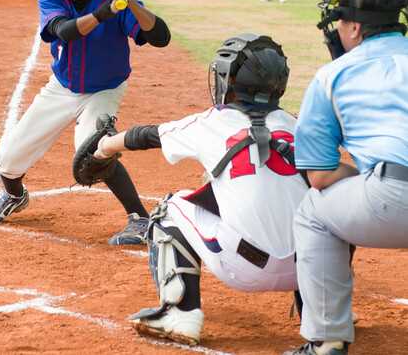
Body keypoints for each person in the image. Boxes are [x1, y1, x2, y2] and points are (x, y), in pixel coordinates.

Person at [90, 34, 307, 345]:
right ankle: (323, 312)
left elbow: (147, 136)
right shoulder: (297, 124)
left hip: (244, 267)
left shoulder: (211, 122)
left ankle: (180, 313)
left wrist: (103, 149)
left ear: (228, 81)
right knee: (323, 204)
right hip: (312, 269)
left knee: (171, 207)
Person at [0, 0, 172, 245]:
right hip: (62, 86)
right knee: (9, 159)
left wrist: (130, 2)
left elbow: (160, 37)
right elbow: (62, 30)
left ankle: (140, 219)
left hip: (104, 89)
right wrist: (103, 12)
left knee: (93, 152)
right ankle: (14, 196)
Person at [286, 0, 408, 355]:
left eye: (340, 22)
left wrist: (367, 178)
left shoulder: (333, 75)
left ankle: (328, 340)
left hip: (394, 199)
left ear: (354, 27)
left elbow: (320, 175)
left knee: (312, 213)